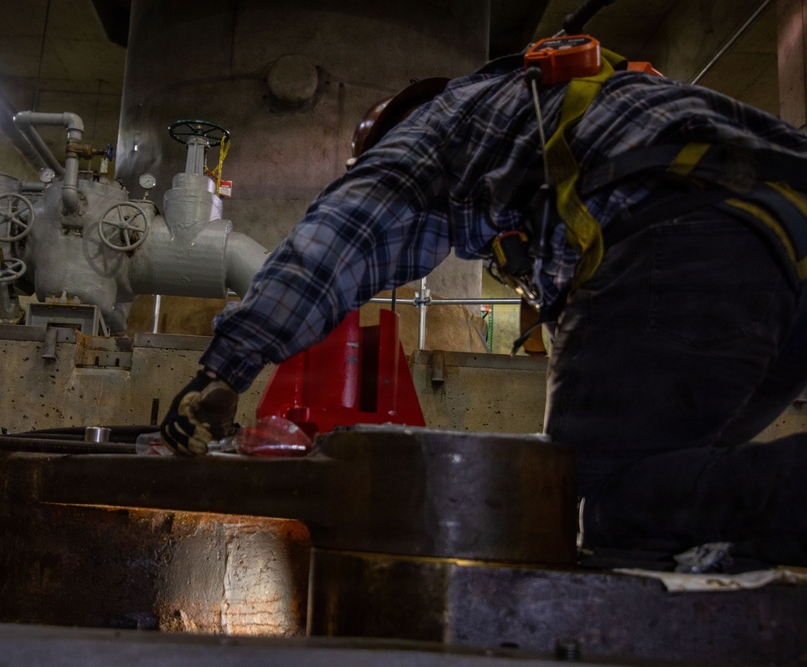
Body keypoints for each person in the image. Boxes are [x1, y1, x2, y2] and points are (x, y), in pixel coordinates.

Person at [160, 45, 807, 566]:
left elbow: (338, 236)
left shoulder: (437, 127)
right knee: (682, 490)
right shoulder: (550, 127)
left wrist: (225, 370)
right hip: (781, 240)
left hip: (691, 228)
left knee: (595, 498)